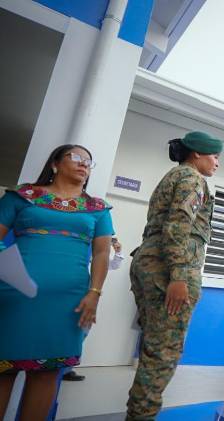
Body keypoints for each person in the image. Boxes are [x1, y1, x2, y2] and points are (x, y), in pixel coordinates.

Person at [0, 145, 113, 420]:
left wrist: (95, 293)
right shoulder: (22, 197)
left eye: (89, 161)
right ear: (55, 164)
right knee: (3, 369)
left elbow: (101, 253)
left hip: (69, 302)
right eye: (76, 157)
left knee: (48, 371)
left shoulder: (97, 208)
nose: (84, 164)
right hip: (14, 295)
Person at [126, 132, 222, 420]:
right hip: (169, 270)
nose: (217, 163)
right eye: (214, 156)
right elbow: (178, 225)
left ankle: (137, 412)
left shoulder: (172, 176)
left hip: (149, 262)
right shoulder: (193, 179)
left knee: (154, 349)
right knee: (163, 354)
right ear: (196, 154)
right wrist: (179, 276)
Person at [64, 237, 126, 383]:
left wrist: (118, 252)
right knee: (67, 329)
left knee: (83, 331)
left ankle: (66, 368)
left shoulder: (96, 258)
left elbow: (114, 265)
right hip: (69, 293)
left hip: (89, 297)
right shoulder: (76, 252)